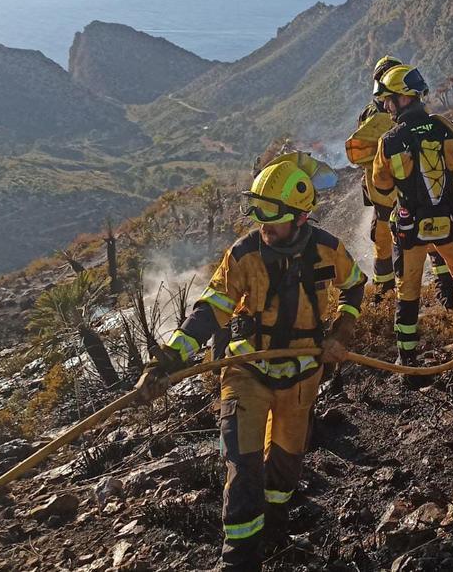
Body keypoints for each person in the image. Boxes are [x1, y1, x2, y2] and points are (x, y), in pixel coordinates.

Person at [136, 155, 366, 572]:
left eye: (272, 217)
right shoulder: (243, 255)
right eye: (258, 213)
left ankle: (275, 533)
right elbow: (209, 311)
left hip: (302, 375)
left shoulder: (328, 249)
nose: (263, 225)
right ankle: (239, 560)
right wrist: (166, 360)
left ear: (301, 216)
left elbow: (355, 286)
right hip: (248, 373)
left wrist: (341, 331)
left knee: (286, 462)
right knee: (243, 465)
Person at [371, 63, 453, 385]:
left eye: (388, 100)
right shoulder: (444, 128)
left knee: (408, 291)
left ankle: (408, 361)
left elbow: (381, 184)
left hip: (410, 230)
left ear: (401, 98)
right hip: (448, 221)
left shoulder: (390, 140)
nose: (387, 107)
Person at [345, 56, 453, 308]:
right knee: (391, 243)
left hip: (404, 192)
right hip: (397, 194)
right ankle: (388, 297)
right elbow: (362, 152)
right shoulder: (375, 113)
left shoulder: (402, 112)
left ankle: (437, 291)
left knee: (419, 240)